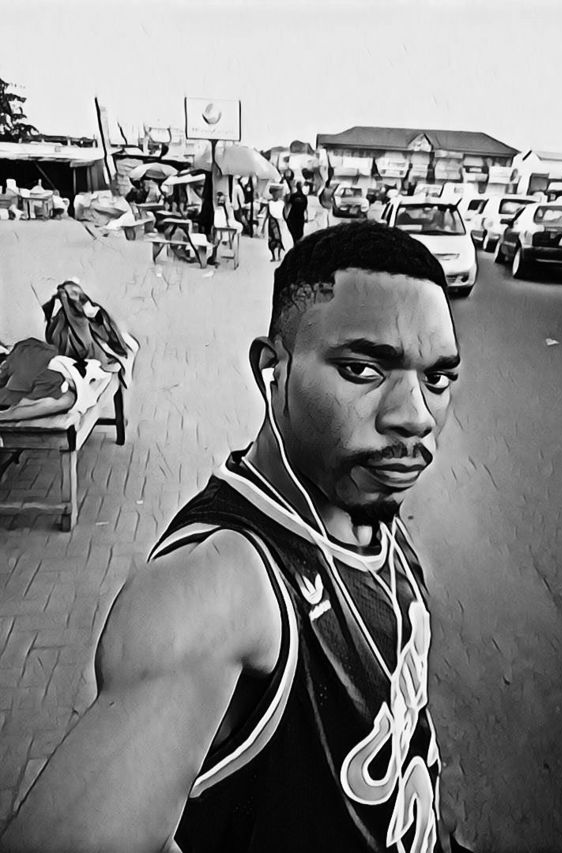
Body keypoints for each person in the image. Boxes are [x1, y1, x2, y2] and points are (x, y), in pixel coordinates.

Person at [0, 221, 473, 853]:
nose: (414, 416)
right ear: (271, 370)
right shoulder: (222, 585)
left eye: (436, 380)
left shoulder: (365, 505)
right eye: (362, 369)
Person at [265, 185, 286, 261]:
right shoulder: (269, 203)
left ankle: (279, 256)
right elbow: (267, 214)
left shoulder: (281, 203)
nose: (276, 194)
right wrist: (263, 225)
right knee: (271, 240)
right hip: (272, 223)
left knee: (279, 240)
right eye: (275, 193)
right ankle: (273, 256)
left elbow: (284, 214)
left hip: (280, 222)